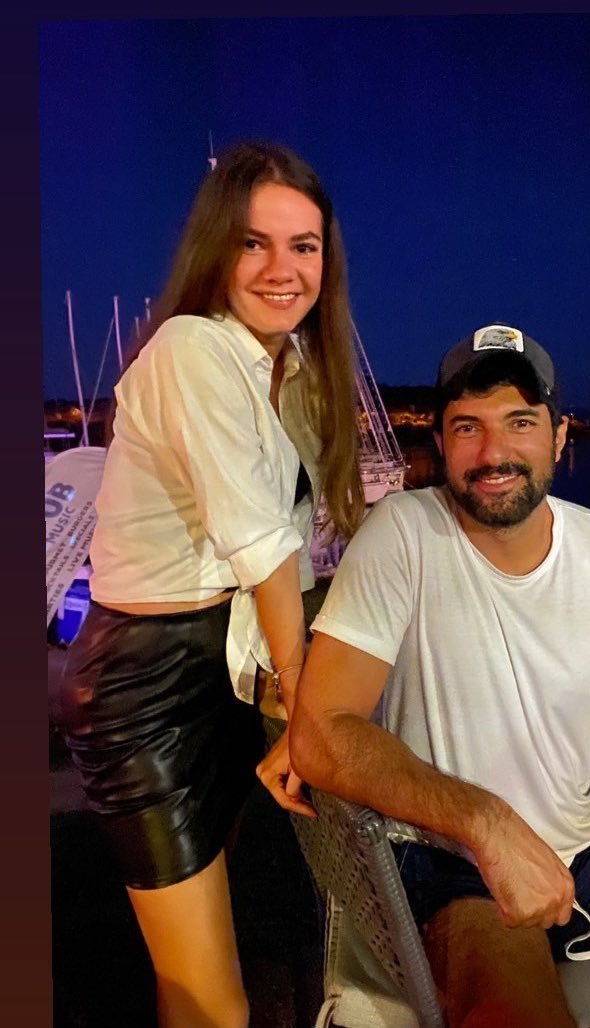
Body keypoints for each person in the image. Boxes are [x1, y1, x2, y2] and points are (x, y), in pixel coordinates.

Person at [260, 323, 590, 1026]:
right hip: (447, 859)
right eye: (468, 427)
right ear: (440, 442)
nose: (494, 453)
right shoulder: (403, 534)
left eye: (520, 422)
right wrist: (488, 824)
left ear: (558, 435)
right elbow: (325, 731)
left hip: (586, 844)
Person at [58, 140, 364, 1028]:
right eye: (253, 243)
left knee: (190, 972)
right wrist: (304, 711)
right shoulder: (192, 349)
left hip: (218, 671)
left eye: (303, 246)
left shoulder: (291, 372)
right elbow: (262, 550)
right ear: (216, 250)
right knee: (216, 1004)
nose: (281, 269)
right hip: (144, 686)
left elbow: (292, 554)